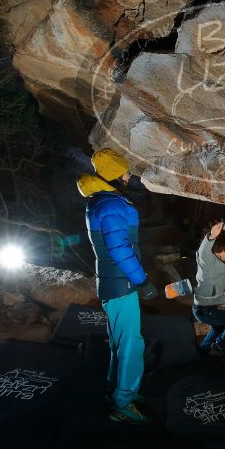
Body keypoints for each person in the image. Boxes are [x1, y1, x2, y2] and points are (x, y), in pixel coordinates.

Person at [77, 148, 158, 425]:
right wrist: (142, 280)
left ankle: (118, 390)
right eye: (125, 170)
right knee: (131, 344)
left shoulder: (102, 200)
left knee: (118, 342)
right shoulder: (111, 205)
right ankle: (123, 403)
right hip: (120, 283)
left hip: (113, 282)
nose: (129, 174)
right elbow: (120, 249)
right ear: (115, 173)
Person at [192, 214, 225, 357]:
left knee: (218, 327)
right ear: (216, 250)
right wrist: (210, 236)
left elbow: (221, 244)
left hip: (206, 307)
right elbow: (205, 250)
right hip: (205, 310)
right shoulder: (206, 261)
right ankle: (219, 346)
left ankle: (204, 350)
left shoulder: (215, 255)